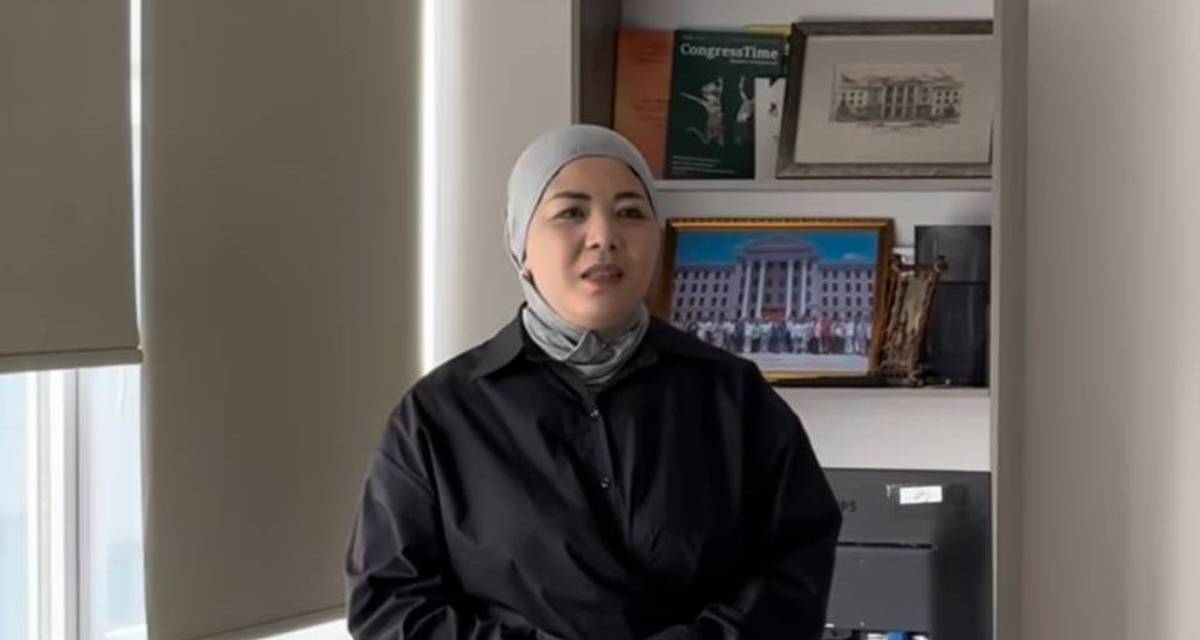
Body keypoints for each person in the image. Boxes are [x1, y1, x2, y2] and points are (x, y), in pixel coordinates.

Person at [344, 125, 842, 640]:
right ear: (520, 244)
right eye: (571, 212)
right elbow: (390, 606)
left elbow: (795, 572)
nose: (604, 236)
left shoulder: (734, 397)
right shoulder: (439, 414)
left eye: (630, 212)